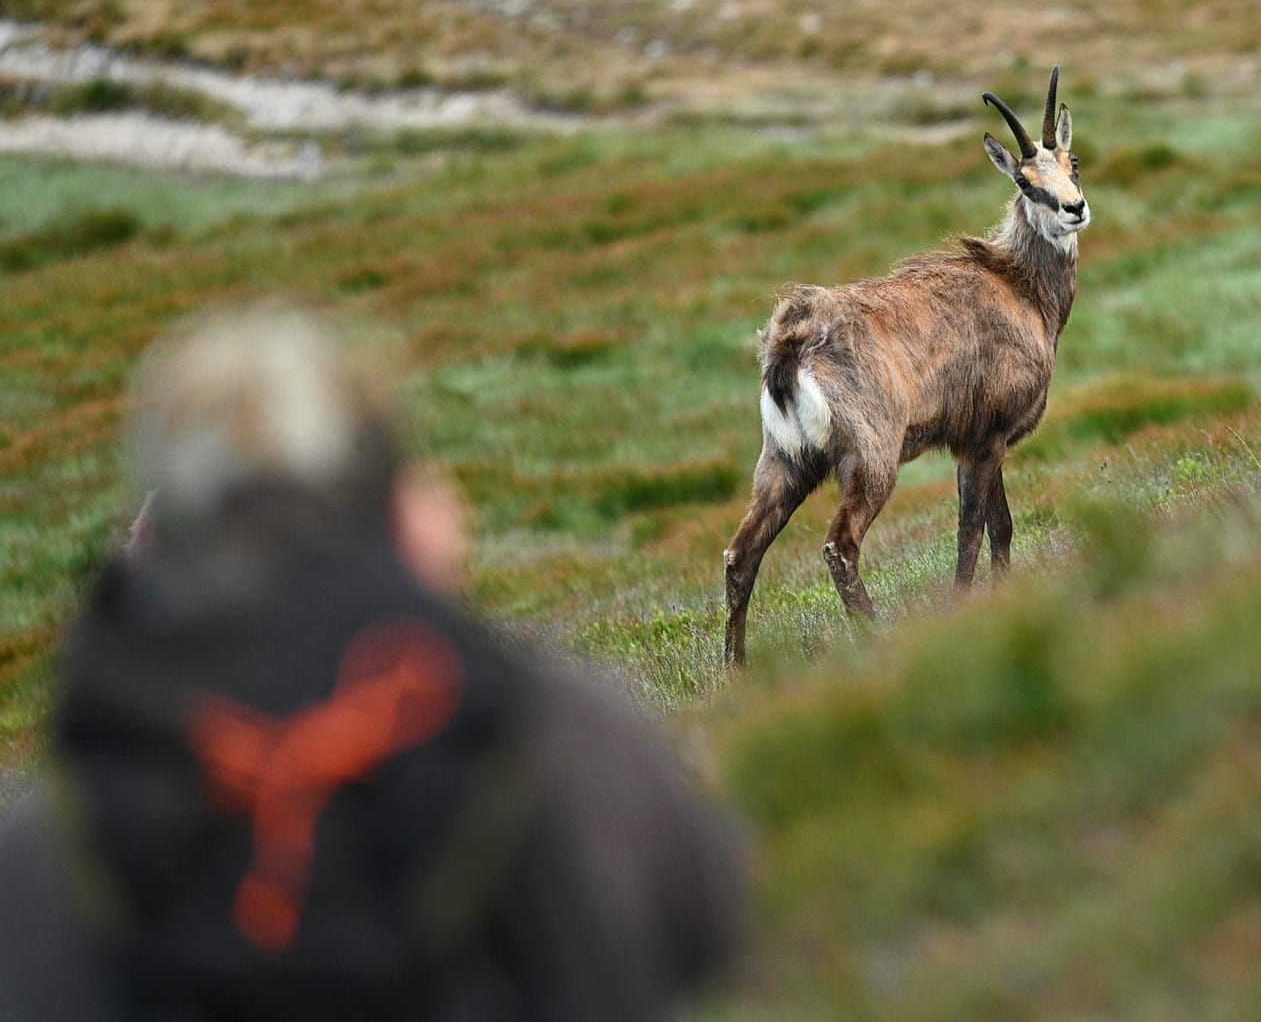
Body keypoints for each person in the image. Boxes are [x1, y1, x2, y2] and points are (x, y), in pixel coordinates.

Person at [0, 304, 746, 1020]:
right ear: (410, 517)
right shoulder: (572, 741)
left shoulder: (46, 854)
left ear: (150, 544)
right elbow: (723, 937)